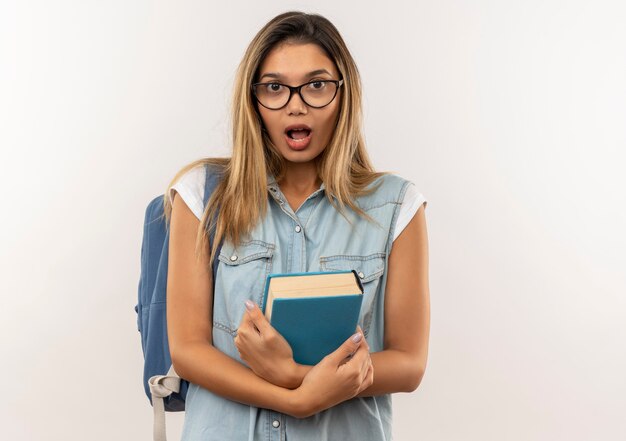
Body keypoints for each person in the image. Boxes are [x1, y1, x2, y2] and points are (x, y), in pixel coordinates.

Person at [163, 11, 430, 441]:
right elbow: (188, 350)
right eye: (274, 88)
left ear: (343, 94)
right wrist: (298, 398)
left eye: (317, 85)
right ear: (254, 100)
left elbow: (410, 363)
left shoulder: (397, 206)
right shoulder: (202, 196)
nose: (296, 103)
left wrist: (291, 372)